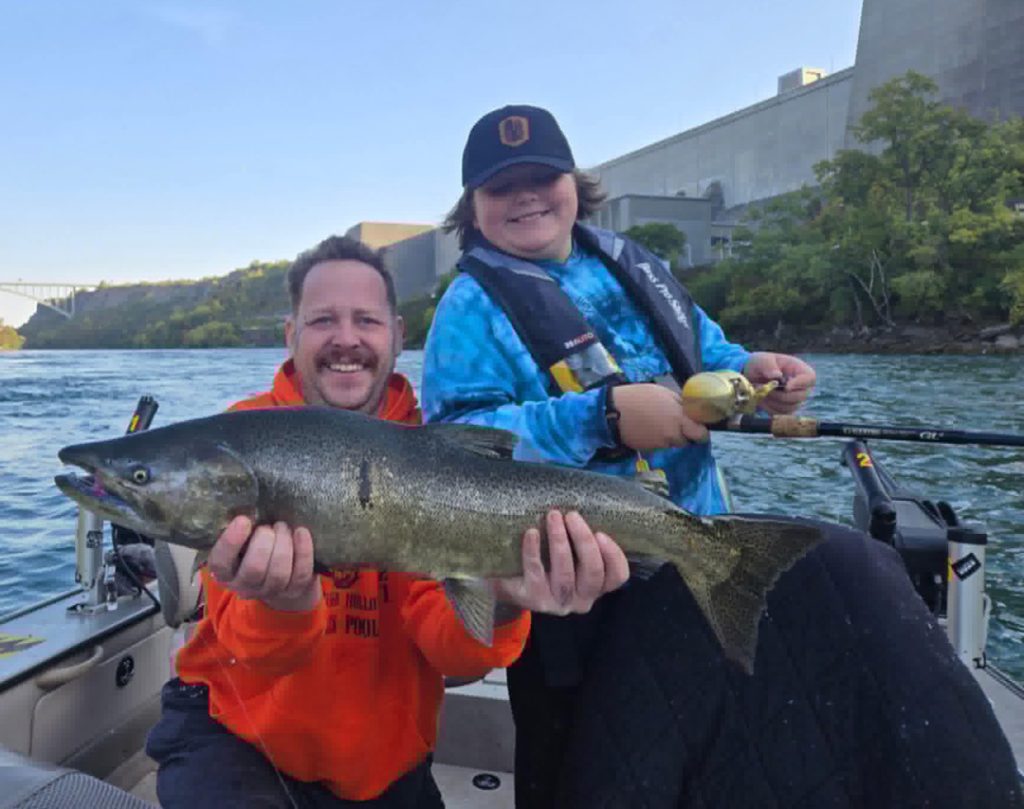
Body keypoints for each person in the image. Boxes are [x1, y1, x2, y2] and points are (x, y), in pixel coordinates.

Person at [421, 105, 1023, 808]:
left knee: (842, 588)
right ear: (474, 208)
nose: (525, 195)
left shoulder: (631, 265)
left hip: (696, 551)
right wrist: (601, 415)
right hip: (573, 591)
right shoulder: (465, 309)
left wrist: (758, 372)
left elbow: (710, 354)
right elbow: (458, 449)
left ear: (575, 185)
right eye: (500, 187)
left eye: (541, 177)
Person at [145, 234, 630, 809]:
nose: (345, 339)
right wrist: (285, 602)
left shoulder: (443, 454)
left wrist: (503, 597)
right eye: (323, 319)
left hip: (385, 764)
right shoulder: (240, 435)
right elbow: (254, 655)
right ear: (291, 335)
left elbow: (457, 655)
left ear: (399, 335)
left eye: (366, 321)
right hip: (234, 738)